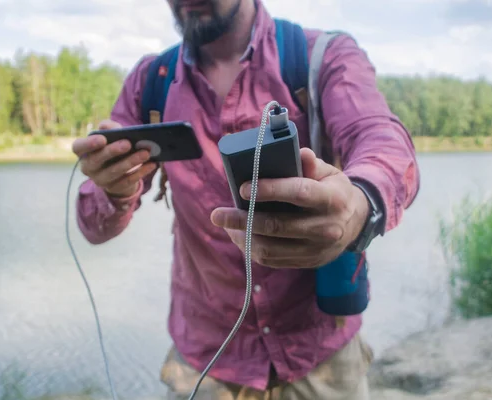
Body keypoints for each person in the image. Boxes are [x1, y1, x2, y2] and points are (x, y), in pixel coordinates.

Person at [71, 0, 420, 398]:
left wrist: (360, 204)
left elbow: (382, 140)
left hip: (319, 352)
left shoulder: (321, 56)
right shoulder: (151, 82)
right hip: (206, 360)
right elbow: (92, 226)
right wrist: (115, 191)